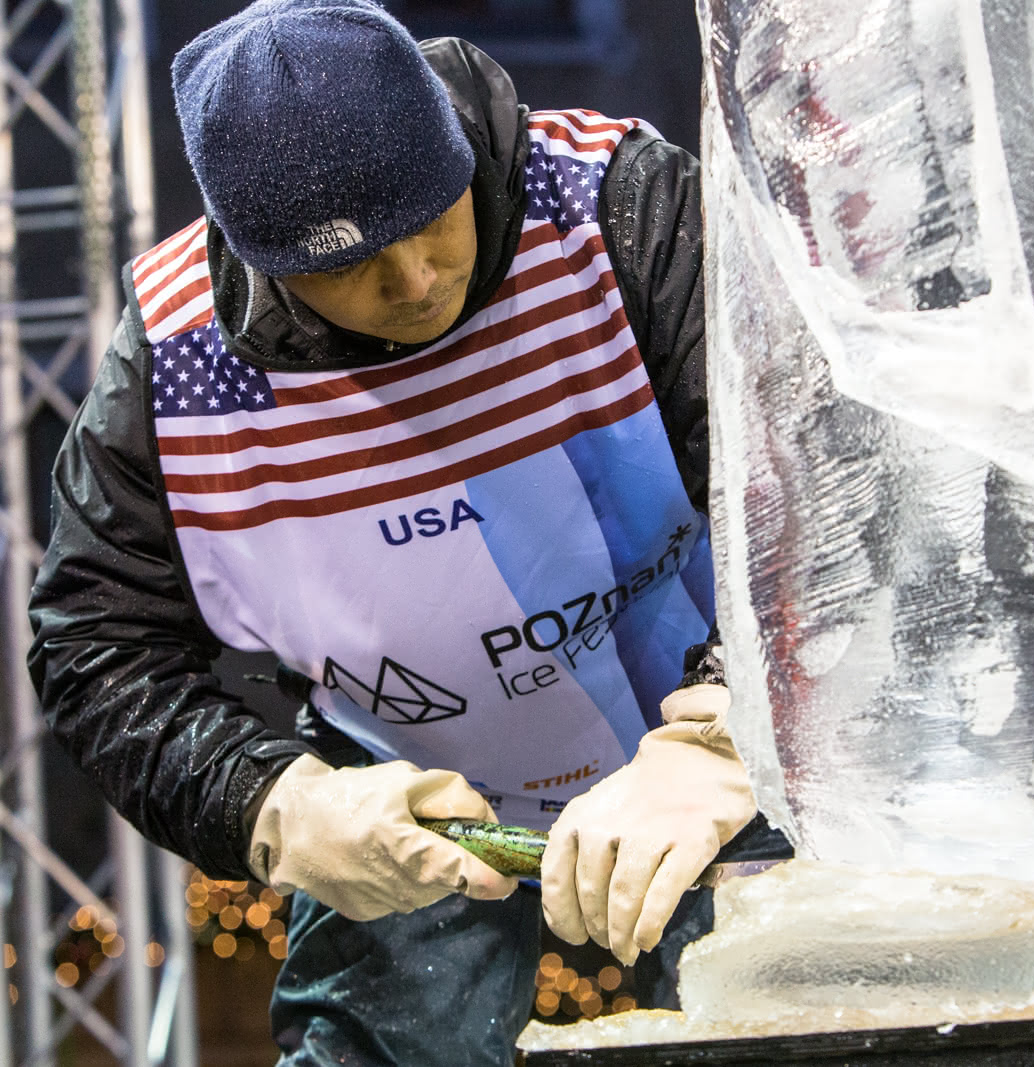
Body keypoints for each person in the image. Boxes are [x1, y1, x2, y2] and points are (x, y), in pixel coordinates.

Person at [26, 1, 788, 1062]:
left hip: (707, 722)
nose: (415, 281)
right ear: (256, 261)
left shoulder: (617, 208)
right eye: (347, 268)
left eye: (432, 215)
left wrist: (723, 738)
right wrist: (278, 802)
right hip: (411, 788)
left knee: (797, 1014)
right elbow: (96, 648)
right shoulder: (179, 364)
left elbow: (808, 488)